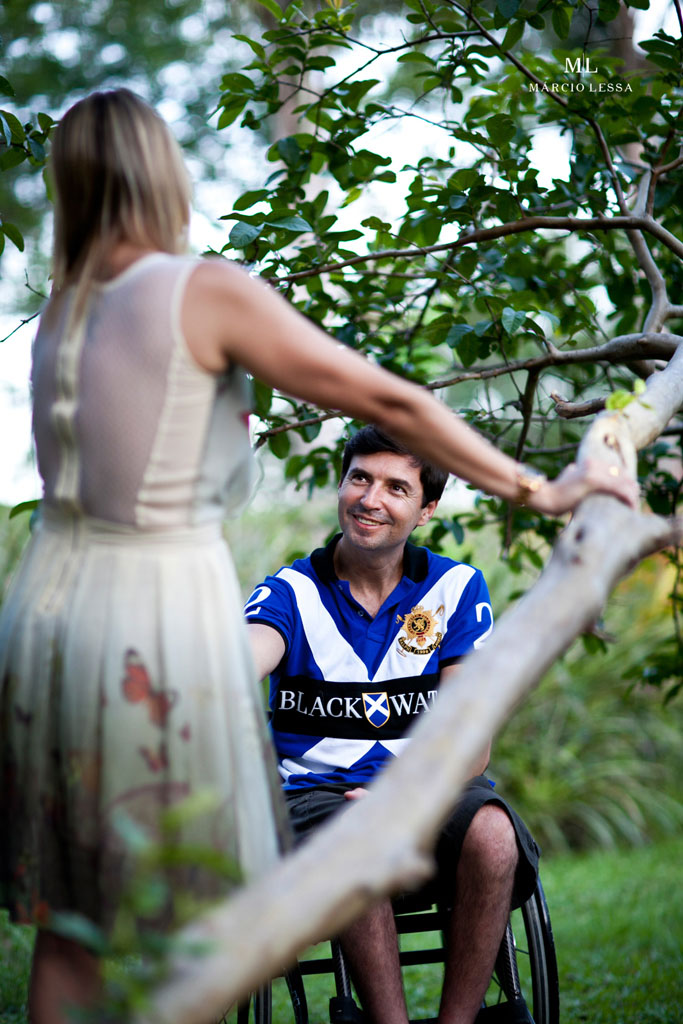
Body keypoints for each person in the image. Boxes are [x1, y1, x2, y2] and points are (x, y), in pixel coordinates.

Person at [0, 88, 636, 1024]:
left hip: (49, 617)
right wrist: (538, 490)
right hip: (151, 611)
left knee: (74, 921)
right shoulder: (199, 289)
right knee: (191, 917)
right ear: (164, 175)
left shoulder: (64, 314)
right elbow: (395, 401)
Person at [244, 427, 539, 1024]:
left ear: (425, 509)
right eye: (360, 477)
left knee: (493, 832)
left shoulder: (453, 590)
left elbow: (469, 742)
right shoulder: (291, 590)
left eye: (396, 487)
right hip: (314, 800)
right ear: (342, 484)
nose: (370, 498)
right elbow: (246, 652)